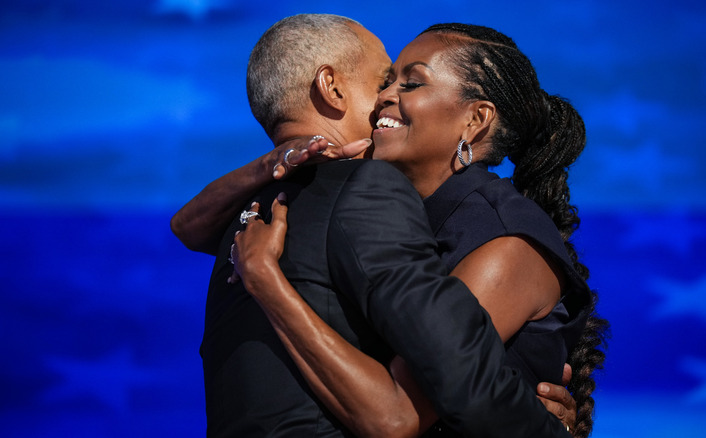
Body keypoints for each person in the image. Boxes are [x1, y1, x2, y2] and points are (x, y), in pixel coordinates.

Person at [172, 14, 585, 437]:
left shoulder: (502, 240)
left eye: (410, 82)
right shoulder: (378, 213)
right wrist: (273, 162)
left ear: (475, 120)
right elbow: (188, 228)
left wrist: (267, 282)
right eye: (386, 80)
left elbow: (395, 414)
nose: (384, 96)